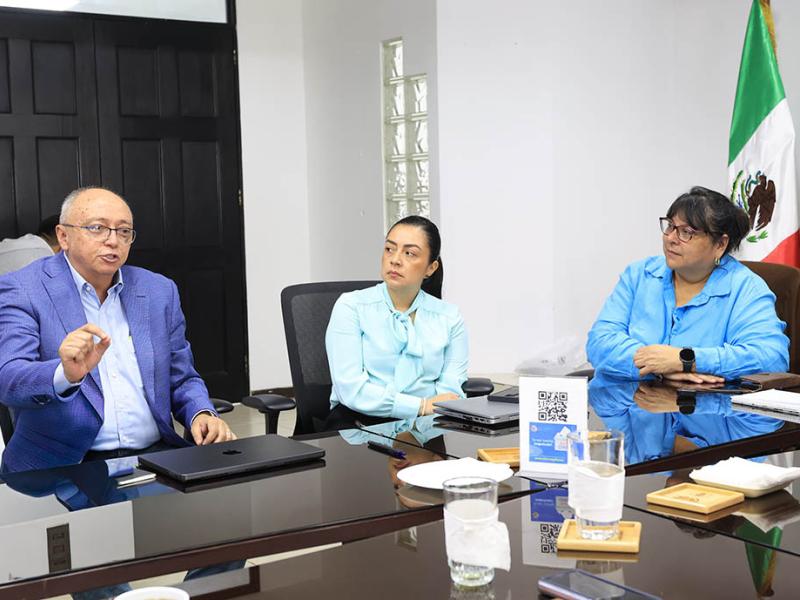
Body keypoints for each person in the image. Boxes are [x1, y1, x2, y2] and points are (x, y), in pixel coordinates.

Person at [0, 187, 234, 473]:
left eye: (124, 232)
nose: (113, 241)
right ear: (63, 236)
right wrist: (64, 374)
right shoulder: (23, 289)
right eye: (97, 228)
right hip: (66, 464)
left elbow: (182, 377)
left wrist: (201, 413)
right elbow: (8, 378)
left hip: (155, 458)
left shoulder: (158, 291)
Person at [587, 186, 789, 381]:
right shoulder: (639, 275)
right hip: (629, 400)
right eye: (670, 226)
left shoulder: (746, 288)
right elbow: (599, 342)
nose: (671, 238)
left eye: (686, 232)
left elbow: (771, 358)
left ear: (720, 244)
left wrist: (686, 360)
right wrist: (658, 368)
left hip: (707, 403)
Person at [326, 215, 468, 418]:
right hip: (360, 421)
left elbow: (451, 393)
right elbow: (350, 389)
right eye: (389, 249)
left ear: (431, 268)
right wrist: (420, 406)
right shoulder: (351, 306)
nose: (395, 260)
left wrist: (428, 411)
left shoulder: (449, 317)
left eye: (409, 253)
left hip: (429, 423)